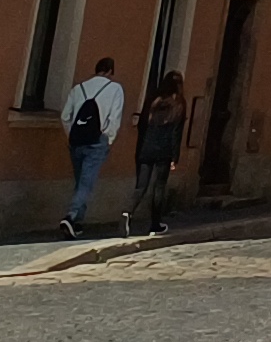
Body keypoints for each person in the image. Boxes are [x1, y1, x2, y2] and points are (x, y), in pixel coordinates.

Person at [58, 55, 125, 236]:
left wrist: (71, 135)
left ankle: (77, 223)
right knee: (86, 183)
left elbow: (65, 116)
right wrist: (108, 140)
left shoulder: (78, 88)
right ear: (111, 71)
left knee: (81, 182)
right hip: (97, 141)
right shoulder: (115, 89)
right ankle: (70, 217)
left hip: (77, 140)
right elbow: (114, 118)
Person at [127, 69, 188, 235]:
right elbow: (176, 132)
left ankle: (127, 213)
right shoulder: (179, 104)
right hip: (164, 149)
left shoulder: (152, 100)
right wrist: (175, 156)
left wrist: (141, 147)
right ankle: (155, 224)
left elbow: (142, 125)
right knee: (159, 186)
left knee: (141, 186)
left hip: (147, 146)